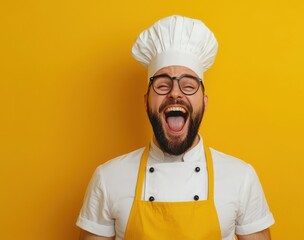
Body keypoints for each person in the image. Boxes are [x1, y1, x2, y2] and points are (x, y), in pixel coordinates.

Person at [76, 15, 274, 240]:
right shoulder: (108, 178)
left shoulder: (241, 177)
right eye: (162, 85)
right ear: (146, 101)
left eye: (189, 85)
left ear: (204, 102)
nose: (175, 93)